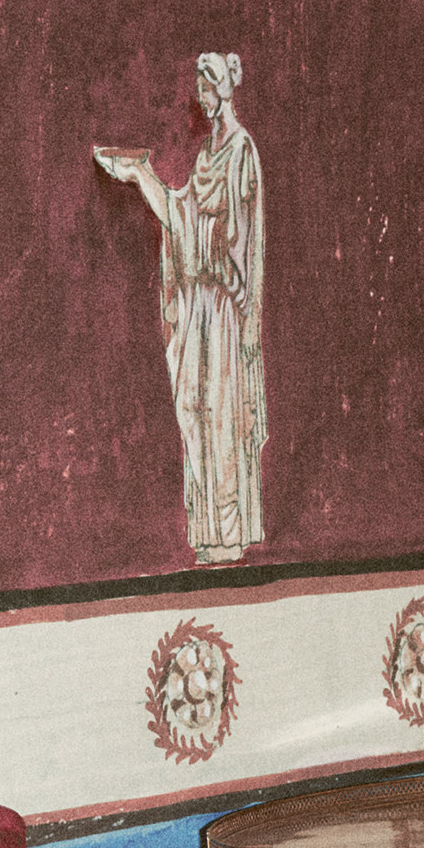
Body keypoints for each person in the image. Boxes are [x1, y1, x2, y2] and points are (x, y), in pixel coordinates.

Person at [95, 52, 267, 563]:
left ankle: (228, 534)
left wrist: (224, 272)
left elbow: (241, 239)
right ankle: (208, 531)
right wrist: (141, 175)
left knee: (221, 415)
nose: (201, 96)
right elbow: (182, 216)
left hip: (225, 306)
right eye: (199, 87)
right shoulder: (207, 155)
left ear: (225, 89)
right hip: (198, 306)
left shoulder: (241, 151)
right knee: (193, 407)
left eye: (207, 87)